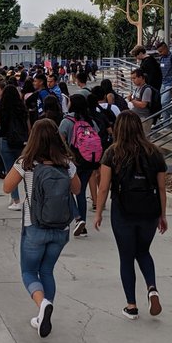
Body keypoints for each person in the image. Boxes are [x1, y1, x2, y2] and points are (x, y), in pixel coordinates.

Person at [3, 118, 81, 337]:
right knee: (47, 270)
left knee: (29, 271)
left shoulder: (26, 162)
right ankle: (44, 314)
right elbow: (77, 190)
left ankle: (42, 305)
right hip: (61, 228)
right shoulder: (66, 163)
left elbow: (7, 186)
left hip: (34, 226)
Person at [94, 111, 167, 318]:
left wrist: (98, 212)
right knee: (143, 251)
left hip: (123, 210)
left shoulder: (112, 153)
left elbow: (103, 187)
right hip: (149, 209)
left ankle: (131, 305)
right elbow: (162, 188)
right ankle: (152, 288)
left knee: (126, 257)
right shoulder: (154, 152)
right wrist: (162, 214)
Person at [59, 93, 100, 238]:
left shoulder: (66, 121)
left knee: (67, 190)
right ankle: (82, 225)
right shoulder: (90, 121)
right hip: (88, 161)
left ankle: (78, 218)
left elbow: (60, 141)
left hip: (72, 161)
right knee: (81, 191)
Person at [0, 84, 29, 210]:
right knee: (25, 171)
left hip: (5, 140)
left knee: (10, 171)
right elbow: (28, 126)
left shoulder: (1, 108)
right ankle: (28, 198)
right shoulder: (22, 108)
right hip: (21, 142)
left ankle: (16, 200)